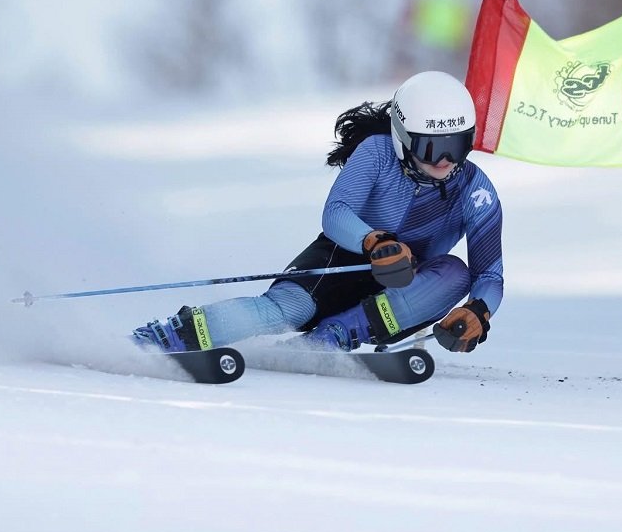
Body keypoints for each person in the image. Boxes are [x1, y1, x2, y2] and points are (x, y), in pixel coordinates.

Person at [131, 70, 503, 354]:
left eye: (456, 146)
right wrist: (373, 241)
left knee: (456, 273)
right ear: (403, 140)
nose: (444, 161)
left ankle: (336, 336)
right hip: (341, 261)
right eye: (429, 148)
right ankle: (174, 333)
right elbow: (336, 213)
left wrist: (479, 311)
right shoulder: (376, 153)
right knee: (280, 313)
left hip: (404, 288)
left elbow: (489, 274)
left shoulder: (476, 191)